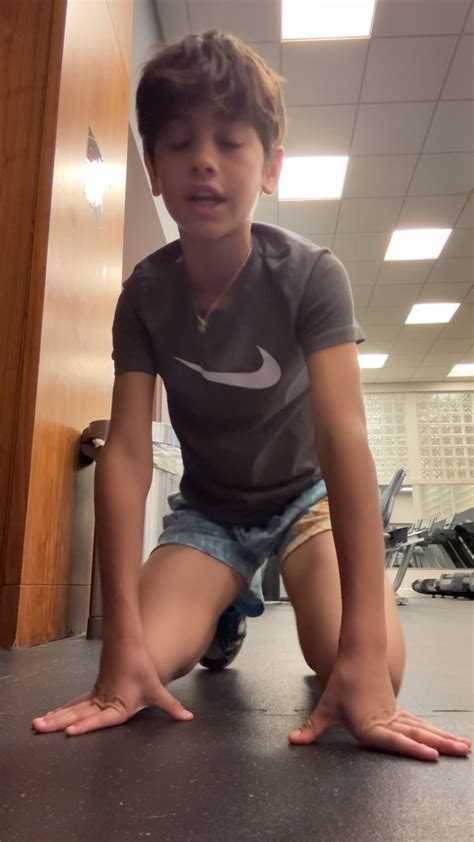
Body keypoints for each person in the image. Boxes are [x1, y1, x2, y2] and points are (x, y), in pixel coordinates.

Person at [33, 31, 470, 762]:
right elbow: (128, 455)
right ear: (152, 169)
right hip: (211, 513)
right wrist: (120, 643)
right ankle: (225, 605)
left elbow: (344, 442)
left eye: (231, 142)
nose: (204, 160)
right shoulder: (143, 295)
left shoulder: (312, 275)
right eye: (179, 143)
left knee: (372, 670)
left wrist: (363, 650)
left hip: (305, 503)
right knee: (149, 665)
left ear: (270, 168)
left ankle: (267, 605)